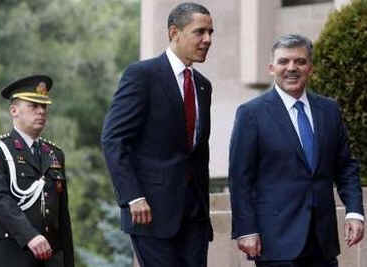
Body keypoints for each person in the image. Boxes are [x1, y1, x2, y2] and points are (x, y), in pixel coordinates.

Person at [228, 34, 364, 267]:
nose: (291, 68)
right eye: (284, 62)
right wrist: (246, 229)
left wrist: (354, 212)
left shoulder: (329, 110)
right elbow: (240, 178)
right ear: (272, 68)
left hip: (322, 242)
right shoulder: (251, 114)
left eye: (300, 61)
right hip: (276, 243)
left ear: (310, 67)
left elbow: (345, 167)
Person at [101, 2, 214, 267]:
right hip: (151, 212)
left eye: (211, 32)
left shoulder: (203, 86)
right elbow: (113, 139)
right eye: (200, 32)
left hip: (194, 216)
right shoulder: (142, 75)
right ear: (174, 33)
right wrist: (133, 196)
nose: (207, 39)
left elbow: (198, 151)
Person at [0, 75, 74, 267]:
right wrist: (30, 236)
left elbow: (62, 216)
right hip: (9, 255)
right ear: (14, 111)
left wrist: (68, 261)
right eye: (33, 106)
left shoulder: (54, 154)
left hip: (50, 258)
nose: (41, 112)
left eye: (44, 107)